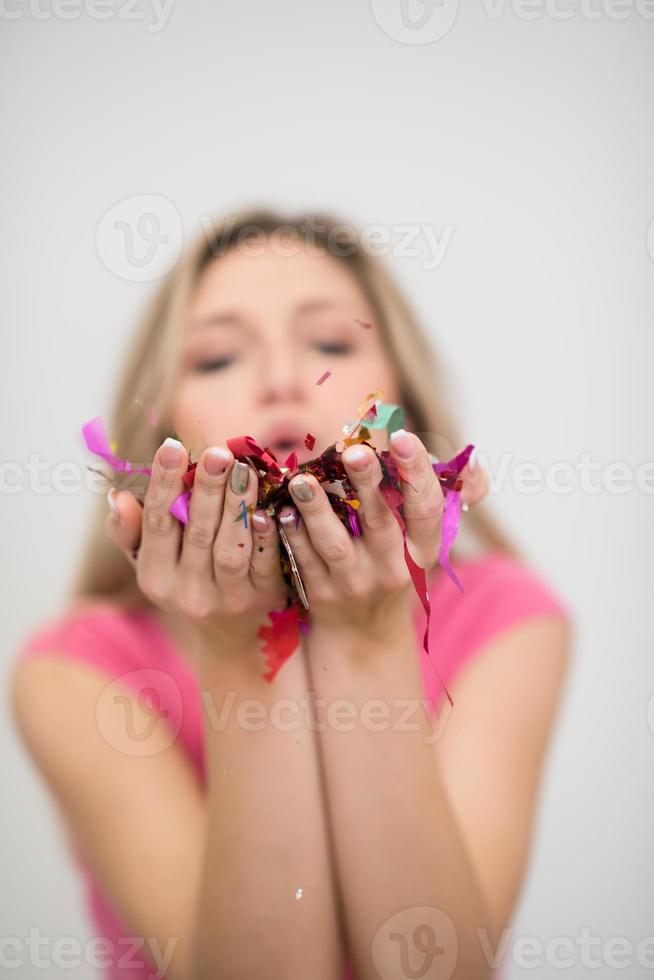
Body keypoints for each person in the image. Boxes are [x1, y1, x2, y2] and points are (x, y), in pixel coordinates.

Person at [10, 209, 573, 980]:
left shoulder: (507, 617)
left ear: (404, 401)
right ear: (160, 429)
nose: (281, 377)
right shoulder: (76, 672)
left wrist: (368, 637)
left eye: (332, 344)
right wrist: (243, 646)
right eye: (216, 357)